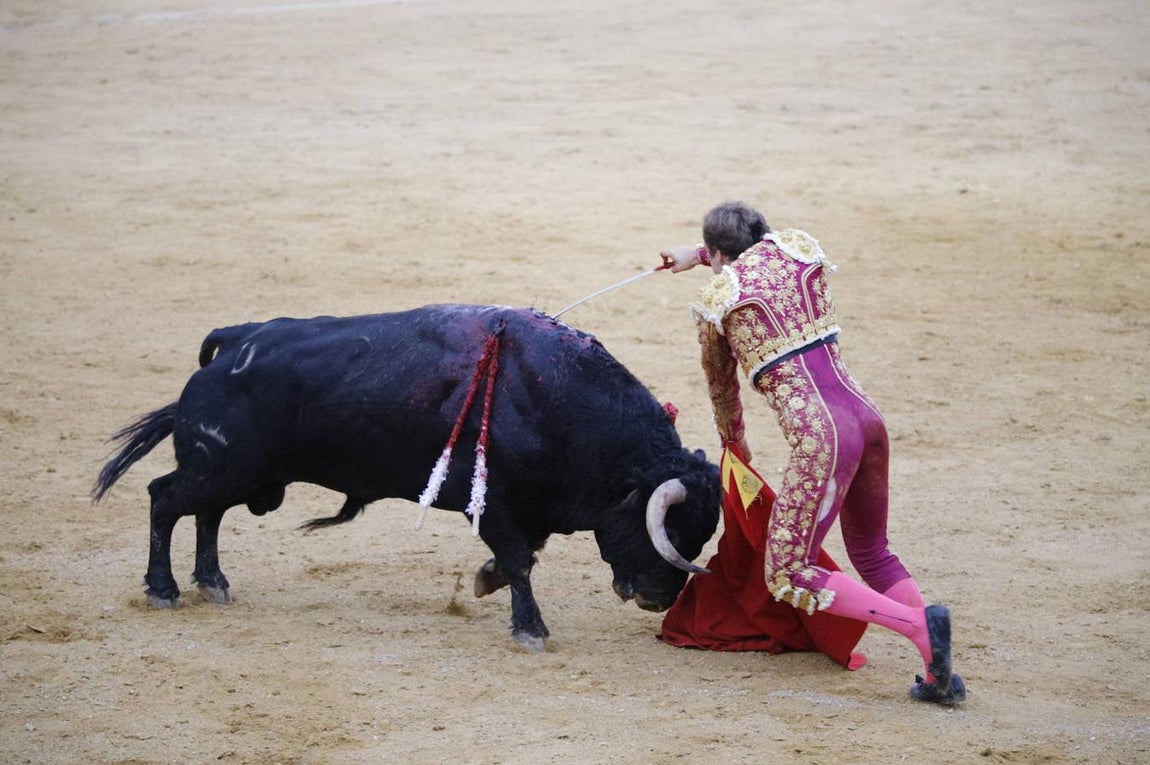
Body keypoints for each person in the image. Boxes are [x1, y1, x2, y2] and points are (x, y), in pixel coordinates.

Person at [659, 201, 966, 705]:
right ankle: (936, 675)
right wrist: (702, 252)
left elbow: (722, 389)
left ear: (718, 255)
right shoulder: (798, 250)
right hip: (868, 421)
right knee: (872, 550)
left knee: (787, 571)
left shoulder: (719, 299)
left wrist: (734, 442)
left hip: (824, 439)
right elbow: (760, 249)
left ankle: (919, 628)